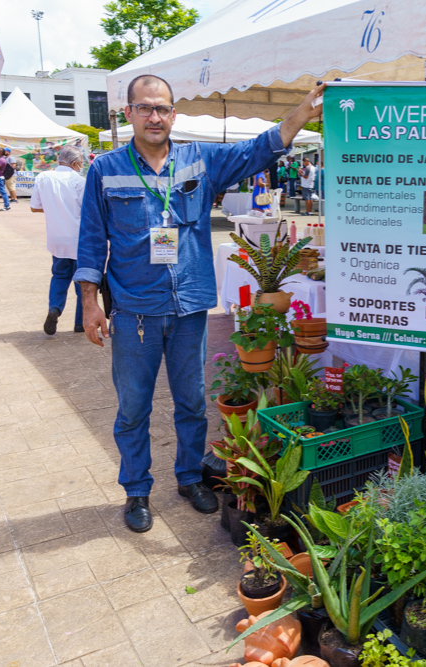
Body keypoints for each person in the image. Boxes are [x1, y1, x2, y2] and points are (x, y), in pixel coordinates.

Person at [73, 74, 324, 533]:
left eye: (163, 108)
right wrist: (90, 303)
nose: (155, 116)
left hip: (189, 308)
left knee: (192, 402)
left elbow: (259, 148)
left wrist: (301, 113)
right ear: (128, 113)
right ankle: (136, 490)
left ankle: (189, 478)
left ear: (174, 114)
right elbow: (90, 243)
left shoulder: (199, 160)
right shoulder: (105, 170)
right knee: (133, 407)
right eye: (145, 108)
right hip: (136, 312)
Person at [31, 145, 86, 336]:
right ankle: (80, 323)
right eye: (80, 163)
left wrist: (56, 209)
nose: (81, 166)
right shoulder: (79, 181)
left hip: (57, 239)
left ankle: (54, 308)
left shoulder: (43, 178)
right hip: (79, 238)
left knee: (60, 276)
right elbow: (89, 211)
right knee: (83, 281)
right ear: (74, 163)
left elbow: (34, 207)